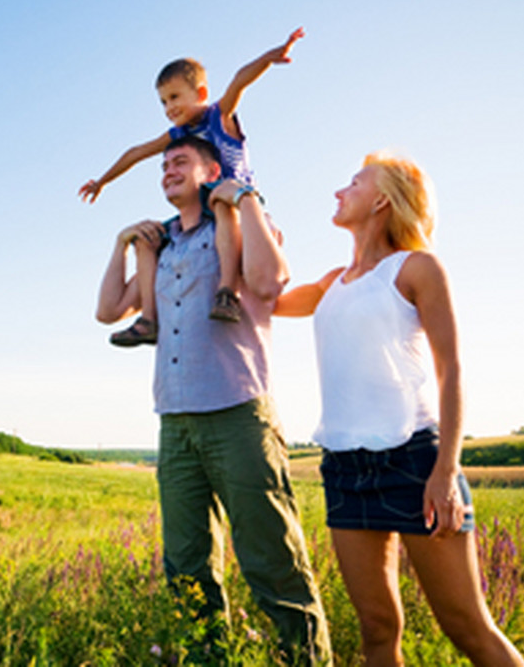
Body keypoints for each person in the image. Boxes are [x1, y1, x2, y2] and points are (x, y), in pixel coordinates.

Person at [275, 152, 524, 666]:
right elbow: (266, 299)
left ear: (383, 200)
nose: (339, 191)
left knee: (466, 626)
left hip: (413, 461)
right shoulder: (330, 284)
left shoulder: (417, 268)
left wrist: (445, 470)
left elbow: (450, 371)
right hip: (344, 468)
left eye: (353, 183)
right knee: (376, 628)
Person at [96, 135, 331, 664]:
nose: (166, 171)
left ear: (210, 172)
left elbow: (270, 283)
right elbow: (108, 309)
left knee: (273, 559)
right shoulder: (164, 249)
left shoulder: (237, 228)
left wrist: (243, 197)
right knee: (186, 567)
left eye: (179, 162)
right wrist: (121, 244)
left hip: (237, 414)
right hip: (175, 423)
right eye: (162, 166)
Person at [82, 29, 305, 347]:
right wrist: (103, 180)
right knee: (148, 240)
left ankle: (226, 291)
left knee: (219, 202)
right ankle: (149, 319)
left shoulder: (218, 116)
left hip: (233, 200)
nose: (168, 108)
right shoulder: (177, 134)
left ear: (200, 93)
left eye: (174, 97)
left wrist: (270, 57)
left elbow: (240, 80)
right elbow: (136, 152)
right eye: (163, 102)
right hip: (199, 211)